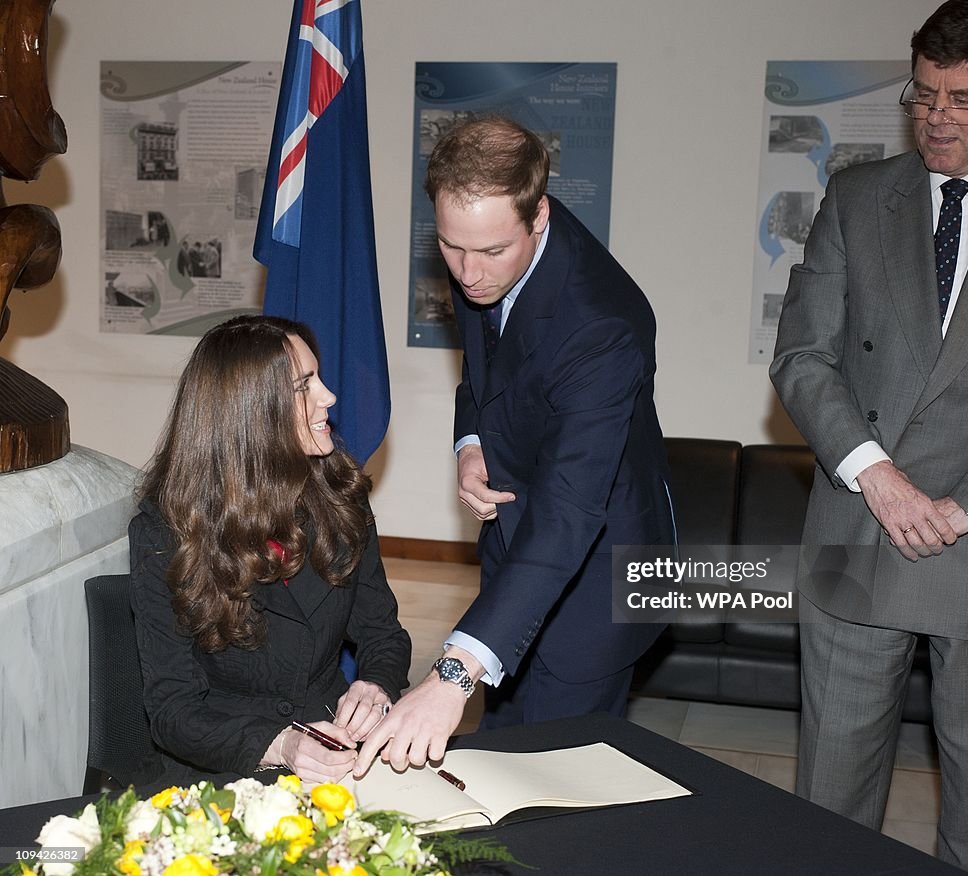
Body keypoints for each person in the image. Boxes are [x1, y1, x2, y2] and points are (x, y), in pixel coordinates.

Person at [770, 2, 968, 872]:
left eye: (966, 99)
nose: (938, 118)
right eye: (923, 95)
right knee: (828, 805)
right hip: (858, 524)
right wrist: (880, 478)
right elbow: (802, 356)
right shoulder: (856, 196)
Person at [354, 115, 675, 776]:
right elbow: (484, 373)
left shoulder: (604, 326)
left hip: (599, 574)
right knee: (494, 765)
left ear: (539, 216)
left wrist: (450, 675)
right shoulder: (482, 246)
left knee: (560, 788)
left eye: (491, 253)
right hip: (515, 546)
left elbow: (569, 513)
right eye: (450, 247)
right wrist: (470, 443)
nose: (469, 275)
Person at [130, 315, 411, 786]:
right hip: (228, 762)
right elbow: (173, 711)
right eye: (304, 386)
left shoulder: (341, 495)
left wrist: (375, 684)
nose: (329, 397)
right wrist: (280, 744)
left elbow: (382, 632)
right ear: (251, 414)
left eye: (317, 378)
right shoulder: (167, 532)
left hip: (335, 748)